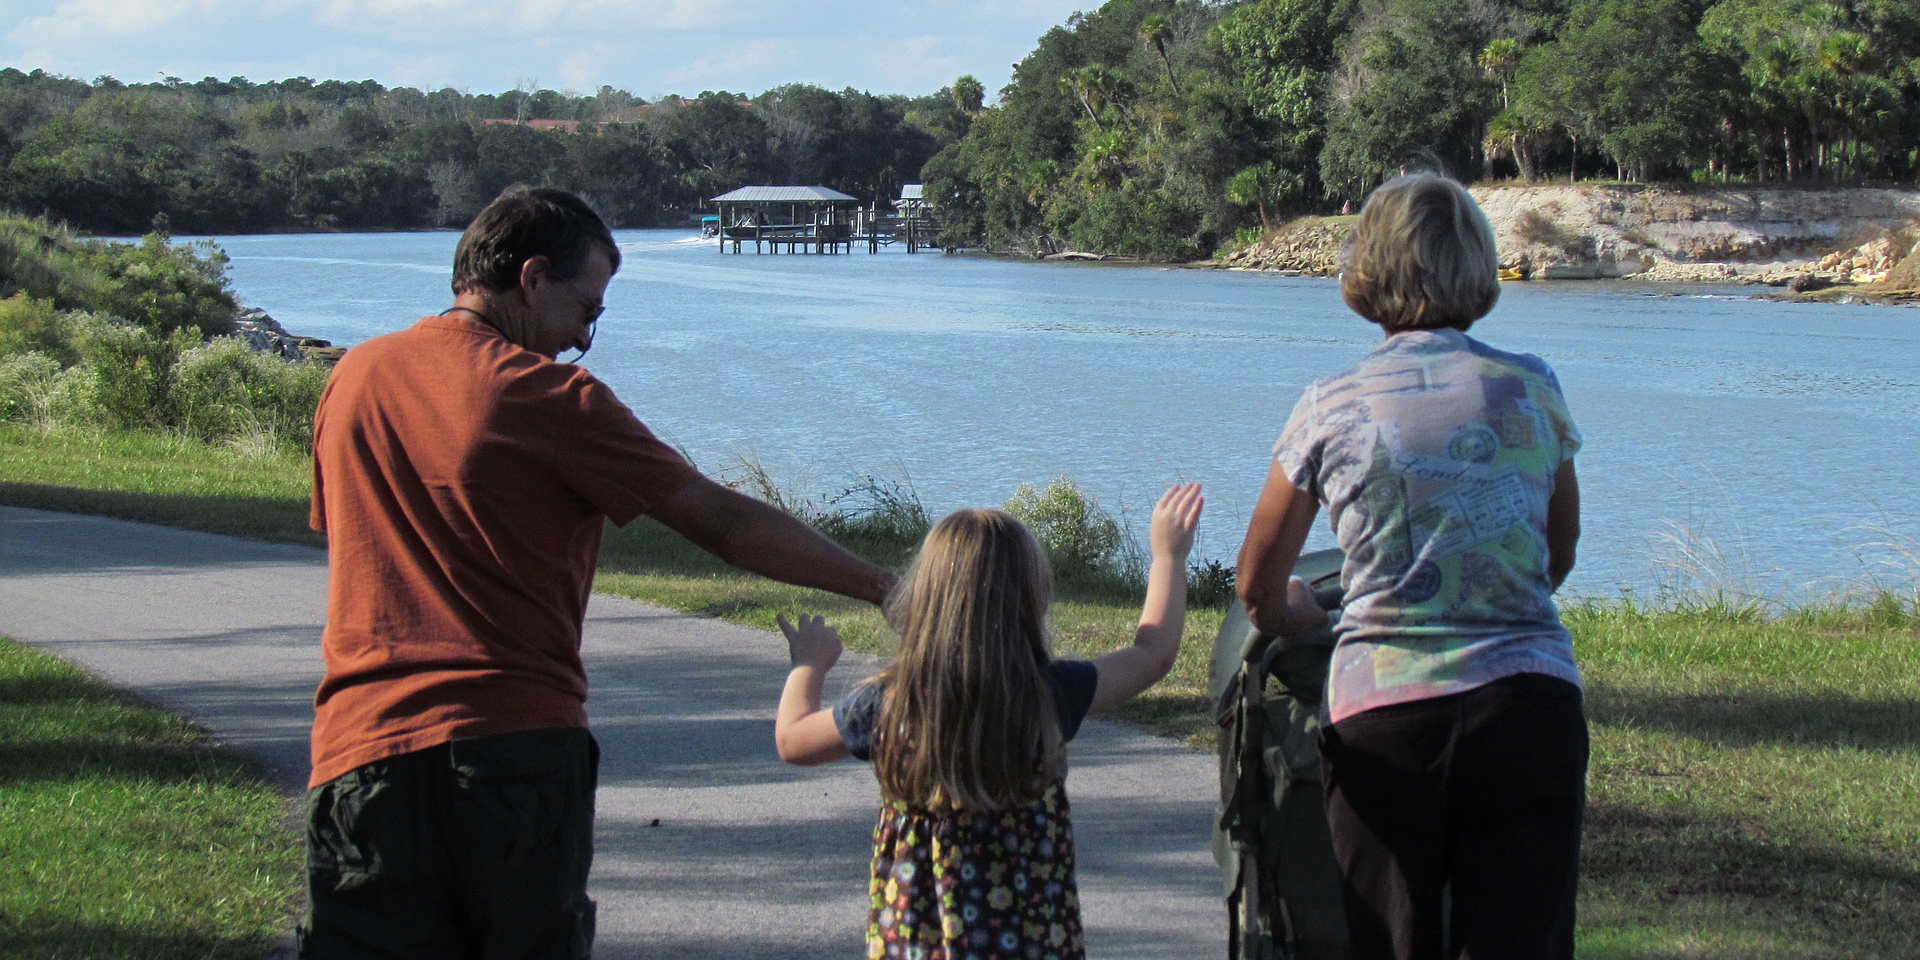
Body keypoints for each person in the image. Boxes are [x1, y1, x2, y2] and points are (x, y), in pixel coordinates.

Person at [300, 186, 896, 959]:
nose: (585, 340)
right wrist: (885, 587)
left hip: (359, 757)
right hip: (509, 756)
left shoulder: (353, 379)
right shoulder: (552, 397)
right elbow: (723, 522)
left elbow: (347, 537)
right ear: (534, 277)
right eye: (589, 311)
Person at [1236, 172, 1587, 960]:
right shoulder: (1531, 387)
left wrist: (1306, 614)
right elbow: (1556, 554)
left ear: (1367, 270)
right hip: (1530, 710)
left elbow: (1258, 585)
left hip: (1385, 722)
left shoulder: (1331, 404)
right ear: (1479, 262)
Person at [770, 484, 1206, 960]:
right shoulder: (1047, 696)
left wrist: (809, 662)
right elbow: (1153, 655)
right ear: (1032, 600)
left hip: (919, 945)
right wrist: (1168, 555)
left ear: (924, 600)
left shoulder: (891, 703)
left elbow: (792, 739)